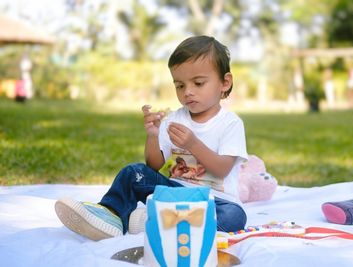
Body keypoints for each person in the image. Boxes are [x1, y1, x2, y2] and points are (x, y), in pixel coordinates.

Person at [55, 35, 248, 241]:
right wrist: (153, 136)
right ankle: (111, 215)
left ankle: (153, 220)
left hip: (215, 201)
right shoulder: (175, 119)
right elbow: (154, 166)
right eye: (180, 86)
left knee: (234, 217)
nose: (188, 92)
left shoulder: (230, 123)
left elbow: (222, 169)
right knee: (134, 173)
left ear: (225, 83)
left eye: (198, 83)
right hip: (174, 193)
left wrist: (192, 144)